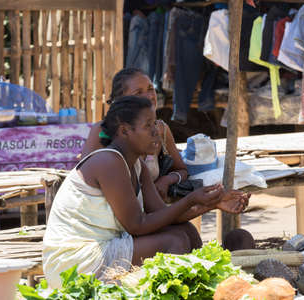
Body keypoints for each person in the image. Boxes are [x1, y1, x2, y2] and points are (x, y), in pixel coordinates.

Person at [43, 96, 250, 288]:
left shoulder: (136, 164)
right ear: (125, 131)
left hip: (103, 248)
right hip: (72, 262)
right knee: (174, 242)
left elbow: (165, 216)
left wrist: (212, 203)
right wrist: (191, 200)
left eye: (155, 124)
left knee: (185, 230)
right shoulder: (108, 162)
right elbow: (138, 225)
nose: (156, 132)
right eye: (148, 125)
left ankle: (202, 288)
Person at [81, 68, 186, 201]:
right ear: (121, 100)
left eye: (150, 88)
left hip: (146, 211)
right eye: (138, 92)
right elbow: (85, 182)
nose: (149, 96)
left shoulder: (160, 130)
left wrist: (166, 180)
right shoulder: (102, 132)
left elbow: (182, 170)